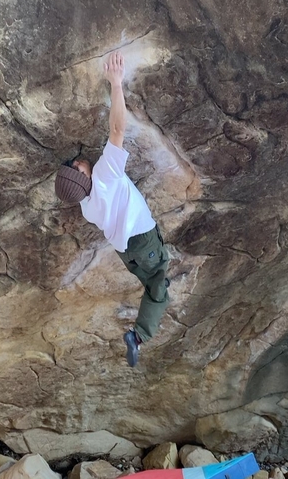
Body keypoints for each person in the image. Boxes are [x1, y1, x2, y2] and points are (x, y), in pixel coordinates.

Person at [55, 51, 170, 367]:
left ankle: (140, 331)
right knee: (160, 286)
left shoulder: (87, 207)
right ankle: (139, 335)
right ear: (83, 176)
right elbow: (117, 130)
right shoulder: (104, 175)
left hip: (127, 251)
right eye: (74, 166)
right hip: (141, 242)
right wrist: (116, 83)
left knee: (152, 281)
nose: (77, 161)